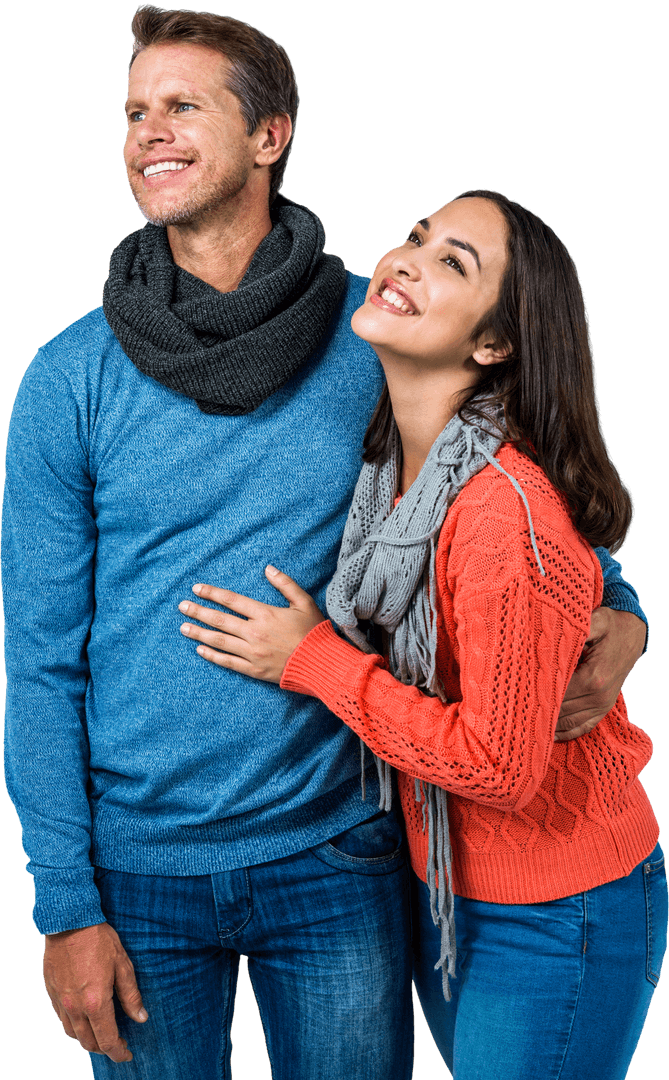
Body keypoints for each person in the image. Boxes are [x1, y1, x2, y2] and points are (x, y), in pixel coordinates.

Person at [1, 4, 647, 1076]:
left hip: (335, 852)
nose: (147, 131)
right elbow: (37, 656)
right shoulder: (71, 380)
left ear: (270, 135)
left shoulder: (375, 335)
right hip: (140, 873)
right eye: (133, 112)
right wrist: (64, 907)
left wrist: (621, 613)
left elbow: (513, 493)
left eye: (182, 106)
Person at [178, 191, 666, 1080]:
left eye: (453, 262)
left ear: (492, 346)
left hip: (559, 903)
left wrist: (313, 660)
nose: (406, 259)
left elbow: (498, 766)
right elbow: (583, 563)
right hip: (449, 888)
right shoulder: (396, 469)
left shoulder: (493, 516)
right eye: (415, 238)